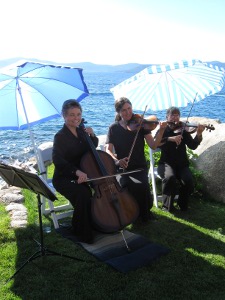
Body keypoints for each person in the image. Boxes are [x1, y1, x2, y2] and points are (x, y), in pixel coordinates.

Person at [105, 97, 167, 223]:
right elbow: (108, 150)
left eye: (129, 108)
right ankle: (130, 213)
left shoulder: (140, 124)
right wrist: (117, 160)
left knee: (141, 185)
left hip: (139, 166)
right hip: (123, 168)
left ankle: (143, 214)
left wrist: (161, 131)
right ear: (118, 112)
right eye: (124, 110)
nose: (128, 113)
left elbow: (153, 145)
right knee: (125, 186)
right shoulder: (113, 128)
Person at [52, 99, 98, 243]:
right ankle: (82, 231)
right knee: (83, 194)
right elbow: (58, 161)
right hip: (64, 177)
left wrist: (93, 135)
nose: (76, 118)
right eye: (71, 115)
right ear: (64, 116)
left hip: (82, 174)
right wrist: (76, 172)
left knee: (90, 193)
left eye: (78, 114)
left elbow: (91, 148)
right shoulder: (60, 136)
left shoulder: (82, 132)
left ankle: (90, 223)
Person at [156, 106, 205, 212]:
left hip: (181, 165)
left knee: (188, 182)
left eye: (177, 115)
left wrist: (199, 134)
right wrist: (170, 139)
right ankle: (167, 206)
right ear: (167, 116)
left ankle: (182, 204)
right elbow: (156, 143)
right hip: (166, 164)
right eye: (172, 115)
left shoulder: (183, 129)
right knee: (169, 178)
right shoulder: (163, 130)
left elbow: (193, 146)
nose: (175, 117)